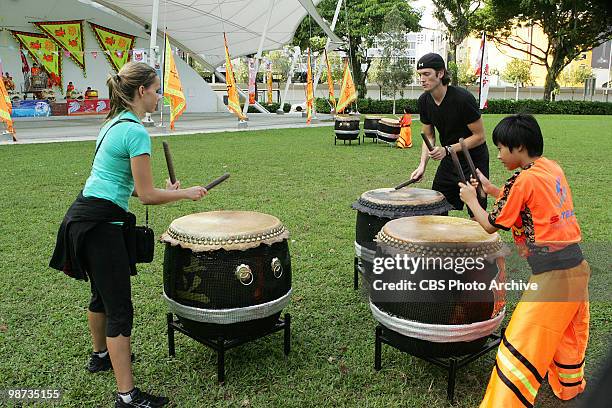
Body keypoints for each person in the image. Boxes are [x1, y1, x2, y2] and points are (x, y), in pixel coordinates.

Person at [50, 62, 207, 407]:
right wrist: (185, 193)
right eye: (156, 90)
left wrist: (162, 190)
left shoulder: (111, 124)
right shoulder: (135, 131)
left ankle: (101, 356)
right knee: (119, 308)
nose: (159, 97)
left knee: (101, 296)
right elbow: (148, 195)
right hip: (100, 225)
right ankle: (127, 396)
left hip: (82, 218)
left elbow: (129, 186)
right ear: (141, 91)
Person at [458, 114, 590, 408]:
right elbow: (525, 200)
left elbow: (491, 224)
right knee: (569, 334)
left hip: (553, 277)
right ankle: (569, 387)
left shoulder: (523, 179)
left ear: (518, 147)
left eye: (502, 148)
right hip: (577, 269)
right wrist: (490, 189)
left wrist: (471, 200)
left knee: (520, 343)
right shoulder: (549, 167)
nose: (499, 154)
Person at [410, 53, 489, 217]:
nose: (422, 79)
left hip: (473, 159)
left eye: (427, 74)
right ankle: (441, 243)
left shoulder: (463, 99)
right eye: (420, 75)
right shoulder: (424, 101)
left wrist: (447, 149)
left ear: (440, 74)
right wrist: (422, 165)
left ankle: (478, 242)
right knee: (436, 206)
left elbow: (479, 136)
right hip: (450, 160)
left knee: (476, 212)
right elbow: (429, 136)